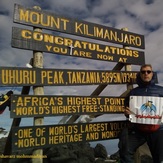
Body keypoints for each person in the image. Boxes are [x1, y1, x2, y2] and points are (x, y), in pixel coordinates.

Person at [119, 64, 163, 163]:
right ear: (140, 74)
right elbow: (127, 109)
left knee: (160, 159)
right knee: (125, 150)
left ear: (152, 74)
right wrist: (127, 113)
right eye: (143, 72)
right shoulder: (133, 92)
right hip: (139, 130)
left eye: (148, 71)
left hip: (158, 130)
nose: (146, 74)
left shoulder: (161, 91)